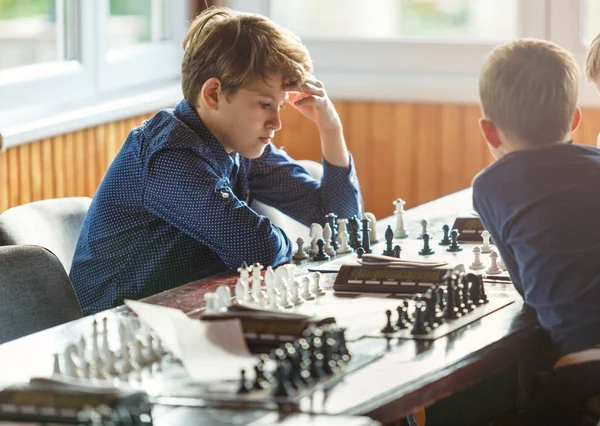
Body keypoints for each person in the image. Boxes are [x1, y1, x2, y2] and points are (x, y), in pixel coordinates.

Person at [70, 7, 362, 315]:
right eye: (264, 104)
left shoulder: (240, 146)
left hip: (187, 316)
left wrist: (331, 128)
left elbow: (343, 224)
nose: (276, 122)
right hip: (115, 330)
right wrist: (294, 244)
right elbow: (255, 247)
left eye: (279, 106)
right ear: (213, 94)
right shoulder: (168, 156)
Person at [472, 39, 600, 424]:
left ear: (489, 132)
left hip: (584, 373)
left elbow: (527, 288)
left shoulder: (489, 186)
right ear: (575, 119)